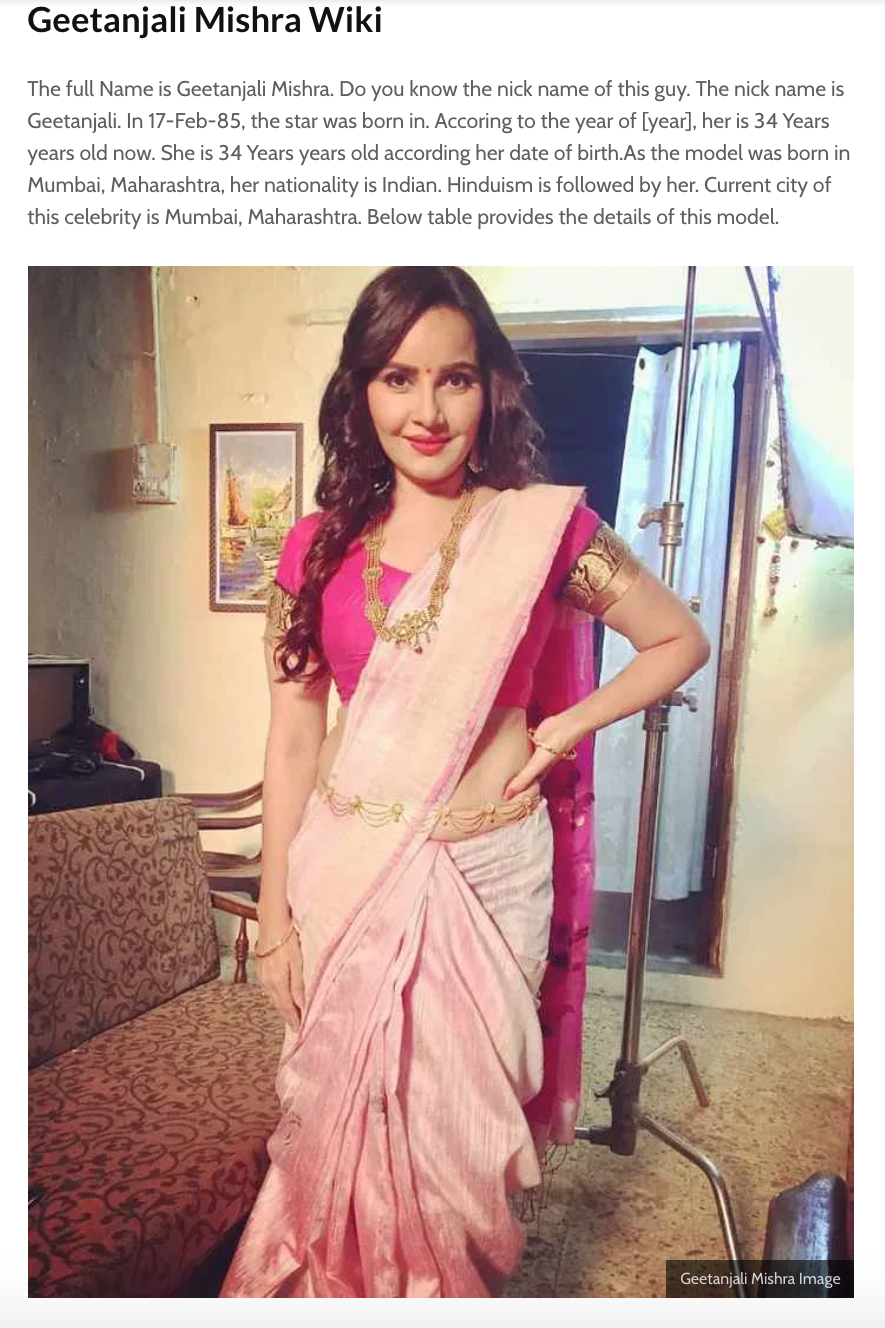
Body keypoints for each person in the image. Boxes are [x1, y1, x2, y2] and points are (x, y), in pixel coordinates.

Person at [220, 267, 709, 1298]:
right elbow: (293, 738)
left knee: (454, 1157)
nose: (428, 411)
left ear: (490, 389)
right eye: (398, 378)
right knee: (342, 1129)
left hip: (488, 872)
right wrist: (272, 920)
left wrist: (565, 724)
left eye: (454, 378)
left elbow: (677, 638)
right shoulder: (311, 549)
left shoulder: (542, 533)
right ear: (361, 390)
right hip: (348, 869)